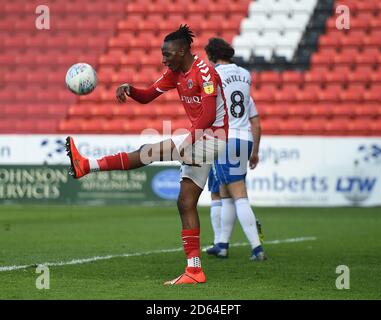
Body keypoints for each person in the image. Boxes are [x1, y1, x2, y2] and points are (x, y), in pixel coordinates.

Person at [65, 25, 228, 284]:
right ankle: (194, 270)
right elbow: (148, 96)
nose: (164, 59)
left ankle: (87, 165)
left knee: (147, 152)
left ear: (183, 51)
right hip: (202, 138)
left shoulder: (205, 73)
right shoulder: (175, 72)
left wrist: (188, 141)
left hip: (212, 137)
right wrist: (131, 90)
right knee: (185, 202)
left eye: (168, 54)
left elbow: (208, 116)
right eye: (162, 54)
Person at [204, 37, 266, 261]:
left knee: (238, 194)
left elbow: (209, 106)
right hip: (244, 138)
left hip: (224, 137)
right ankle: (221, 245)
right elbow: (254, 117)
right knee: (226, 192)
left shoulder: (213, 75)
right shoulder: (245, 75)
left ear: (211, 56)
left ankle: (257, 247)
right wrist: (256, 150)